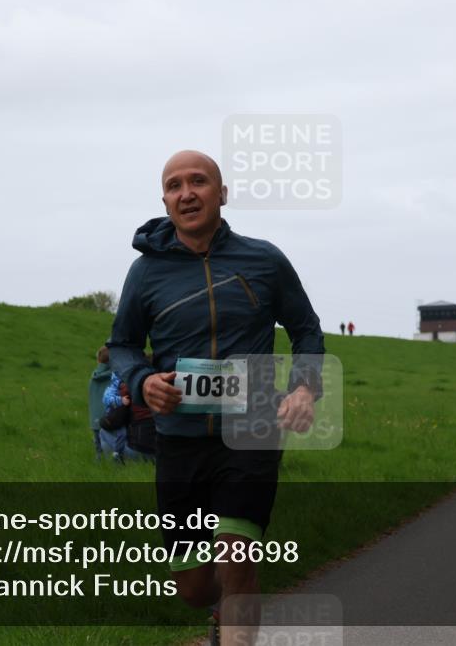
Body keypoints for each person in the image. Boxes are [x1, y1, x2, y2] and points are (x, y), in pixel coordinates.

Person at [107, 150, 324, 646]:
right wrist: (143, 381)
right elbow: (121, 344)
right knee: (193, 586)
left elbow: (306, 329)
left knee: (237, 558)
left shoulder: (264, 260)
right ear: (165, 200)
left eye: (199, 181)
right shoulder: (146, 273)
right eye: (174, 185)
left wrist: (303, 388)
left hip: (251, 432)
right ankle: (218, 611)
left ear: (221, 194)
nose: (187, 193)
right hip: (179, 441)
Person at [88, 346, 114, 460]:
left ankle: (99, 462)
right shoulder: (115, 376)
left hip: (95, 418)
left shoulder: (94, 376)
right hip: (110, 418)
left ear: (98, 360)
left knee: (98, 448)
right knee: (111, 446)